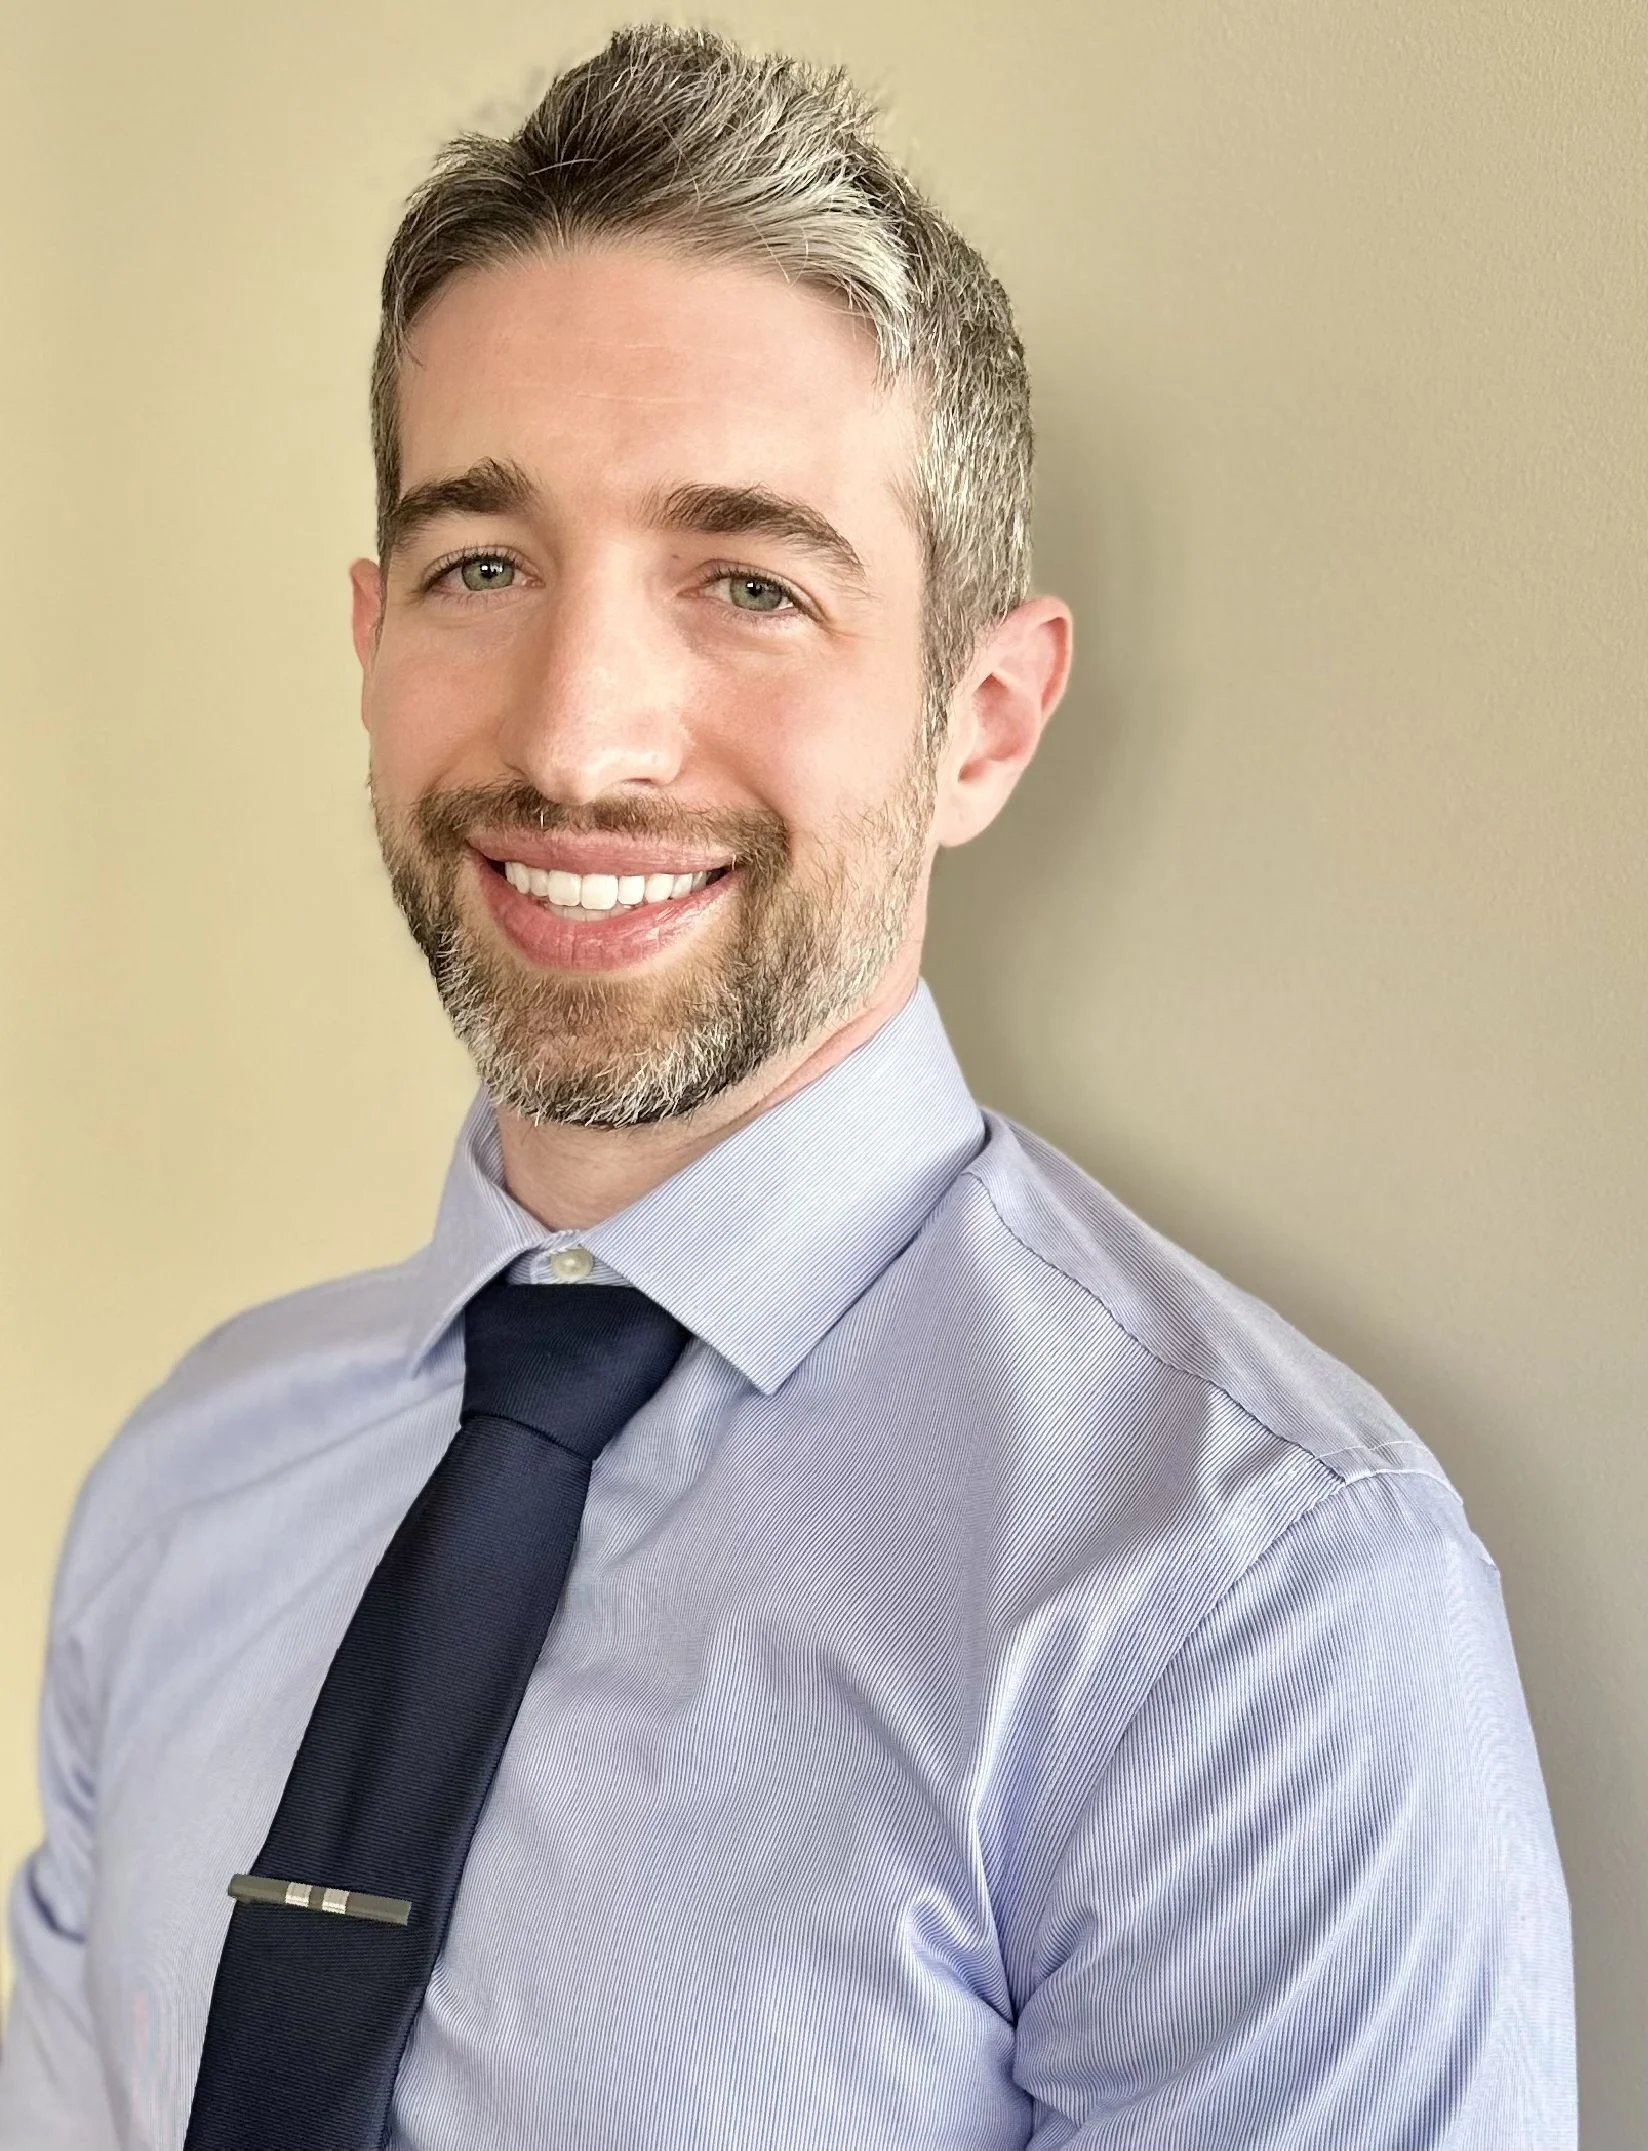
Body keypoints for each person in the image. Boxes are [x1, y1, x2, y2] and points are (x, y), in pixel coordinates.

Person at [0, 24, 1574, 2151]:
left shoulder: (1245, 1611)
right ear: (369, 644)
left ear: (981, 720)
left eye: (749, 582)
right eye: (482, 565)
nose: (579, 735)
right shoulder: (191, 1486)